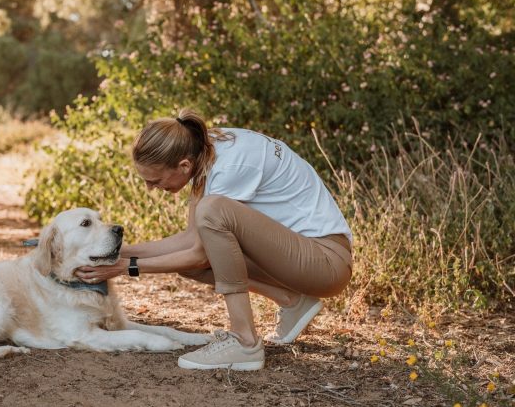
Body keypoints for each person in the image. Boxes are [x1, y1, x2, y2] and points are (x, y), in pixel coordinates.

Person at [74, 109, 352, 370]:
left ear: (183, 165)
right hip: (298, 258)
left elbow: (199, 253)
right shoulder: (202, 150)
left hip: (325, 262)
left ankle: (244, 342)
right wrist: (117, 253)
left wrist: (126, 267)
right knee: (187, 260)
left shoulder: (230, 165)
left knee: (210, 211)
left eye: (155, 180)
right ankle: (292, 300)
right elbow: (190, 243)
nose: (150, 188)